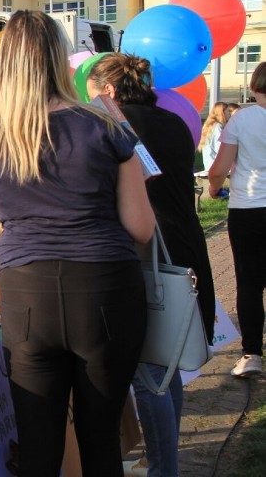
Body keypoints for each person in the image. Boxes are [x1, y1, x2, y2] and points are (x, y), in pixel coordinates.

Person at [0, 10, 155, 476]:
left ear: (5, 64)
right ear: (59, 59)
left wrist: (12, 296)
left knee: (38, 442)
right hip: (107, 290)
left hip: (28, 295)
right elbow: (142, 227)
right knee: (100, 438)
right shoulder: (107, 128)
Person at [87, 53, 216, 477]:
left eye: (91, 95)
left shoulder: (118, 129)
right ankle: (165, 459)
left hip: (148, 254)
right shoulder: (173, 122)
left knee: (149, 374)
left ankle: (164, 467)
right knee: (166, 364)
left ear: (107, 92)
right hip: (184, 245)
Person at [209, 62, 266, 379]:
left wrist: (215, 189)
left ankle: (252, 354)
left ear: (255, 86)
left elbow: (218, 168)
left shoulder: (242, 119)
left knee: (249, 283)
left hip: (249, 209)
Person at [198, 102, 230, 173]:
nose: (230, 114)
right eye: (228, 111)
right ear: (222, 112)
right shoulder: (217, 127)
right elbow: (220, 148)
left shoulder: (209, 126)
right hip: (216, 166)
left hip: (209, 165)